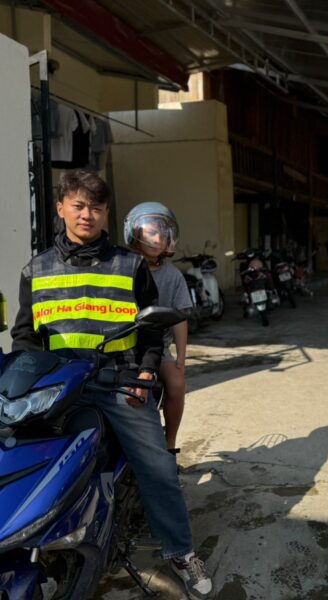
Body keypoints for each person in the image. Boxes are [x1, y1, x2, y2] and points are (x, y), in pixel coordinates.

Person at [11, 170, 211, 599]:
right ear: (61, 208)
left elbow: (152, 330)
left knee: (158, 467)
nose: (87, 215)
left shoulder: (130, 264)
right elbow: (25, 337)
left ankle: (181, 552)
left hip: (119, 381)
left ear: (106, 214)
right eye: (79, 206)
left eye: (97, 208)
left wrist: (146, 373)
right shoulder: (36, 270)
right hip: (58, 386)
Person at [124, 202, 192, 454]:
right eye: (151, 232)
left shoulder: (173, 276)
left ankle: (169, 443)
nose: (157, 239)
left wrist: (181, 359)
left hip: (156, 347)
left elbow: (180, 318)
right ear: (134, 232)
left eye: (163, 234)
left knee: (176, 384)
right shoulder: (121, 267)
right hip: (122, 344)